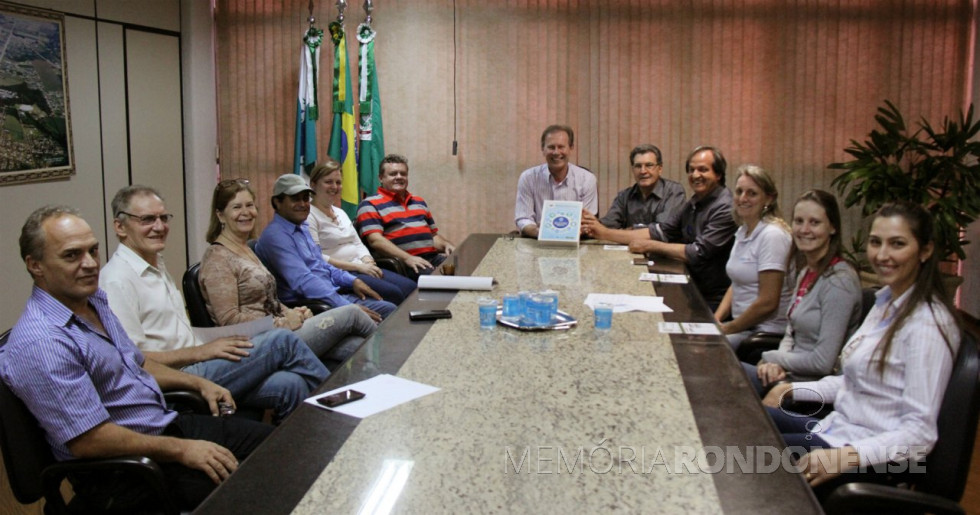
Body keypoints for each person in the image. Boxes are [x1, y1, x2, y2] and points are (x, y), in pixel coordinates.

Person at [1, 205, 273, 511]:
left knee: (282, 447)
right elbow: (89, 440)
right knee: (262, 487)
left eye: (93, 250)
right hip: (123, 471)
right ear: (35, 265)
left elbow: (136, 361)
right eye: (72, 255)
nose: (90, 264)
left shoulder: (91, 300)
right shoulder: (42, 342)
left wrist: (197, 383)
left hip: (161, 427)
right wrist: (183, 450)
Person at [763, 201, 961, 488]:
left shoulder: (927, 324)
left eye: (897, 244)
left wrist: (845, 457)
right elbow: (853, 382)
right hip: (838, 430)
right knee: (746, 423)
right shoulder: (885, 303)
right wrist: (793, 388)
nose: (882, 255)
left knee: (739, 453)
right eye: (875, 242)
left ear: (925, 250)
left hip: (870, 459)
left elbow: (920, 433)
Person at [100, 185, 329, 424]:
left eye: (163, 218)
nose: (159, 227)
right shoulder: (117, 280)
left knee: (291, 384)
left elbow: (177, 333)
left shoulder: (155, 264)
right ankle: (350, 415)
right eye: (147, 219)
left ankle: (312, 450)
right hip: (174, 382)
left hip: (199, 360)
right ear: (120, 227)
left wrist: (216, 341)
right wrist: (201, 351)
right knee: (282, 341)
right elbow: (133, 362)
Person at [200, 179, 378, 363]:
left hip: (282, 330)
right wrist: (282, 322)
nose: (245, 212)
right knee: (352, 314)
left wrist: (293, 313)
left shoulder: (246, 249)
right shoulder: (217, 259)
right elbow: (229, 320)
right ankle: (396, 367)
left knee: (357, 347)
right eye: (237, 207)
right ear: (220, 215)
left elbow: (269, 300)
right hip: (263, 343)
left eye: (249, 205)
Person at [587, 146, 736, 309]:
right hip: (688, 284)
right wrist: (601, 231)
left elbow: (698, 252)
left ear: (718, 174)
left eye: (703, 170)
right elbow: (660, 230)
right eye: (691, 170)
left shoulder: (725, 207)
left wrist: (651, 245)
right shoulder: (694, 202)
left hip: (713, 297)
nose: (695, 175)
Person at [742, 190, 863, 393]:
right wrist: (775, 366)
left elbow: (823, 362)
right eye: (799, 221)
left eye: (814, 222)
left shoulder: (840, 282)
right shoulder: (806, 271)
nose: (804, 229)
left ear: (832, 228)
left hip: (814, 389)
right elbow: (791, 333)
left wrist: (772, 358)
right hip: (787, 375)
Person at [255, 174, 397, 318]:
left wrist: (352, 280)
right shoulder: (275, 236)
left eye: (305, 198)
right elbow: (303, 281)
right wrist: (347, 306)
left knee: (391, 307)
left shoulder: (302, 227)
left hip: (331, 294)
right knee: (388, 313)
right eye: (295, 199)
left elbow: (321, 264)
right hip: (312, 306)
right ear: (277, 202)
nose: (303, 204)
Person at [307, 159, 416, 304]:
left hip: (362, 266)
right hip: (340, 273)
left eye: (338, 182)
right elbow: (318, 257)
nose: (335, 186)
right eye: (328, 182)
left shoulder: (340, 212)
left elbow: (357, 243)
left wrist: (368, 261)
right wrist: (359, 267)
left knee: (411, 287)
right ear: (313, 185)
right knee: (394, 294)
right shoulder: (308, 215)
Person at [713, 165, 794, 349]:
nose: (743, 198)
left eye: (752, 193)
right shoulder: (743, 231)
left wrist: (728, 328)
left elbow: (768, 302)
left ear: (769, 198)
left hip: (764, 332)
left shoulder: (772, 235)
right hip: (742, 326)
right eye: (739, 191)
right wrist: (716, 318)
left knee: (705, 350)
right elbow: (737, 282)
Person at [355, 154, 457, 280]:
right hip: (404, 263)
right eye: (393, 174)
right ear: (381, 178)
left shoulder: (418, 201)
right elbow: (375, 241)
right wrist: (407, 258)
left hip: (432, 258)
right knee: (445, 281)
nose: (399, 177)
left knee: (469, 268)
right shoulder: (369, 204)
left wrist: (446, 245)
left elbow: (433, 236)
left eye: (403, 174)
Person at [514, 125, 598, 238]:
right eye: (551, 147)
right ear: (543, 149)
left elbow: (588, 220)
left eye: (561, 147)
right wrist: (541, 232)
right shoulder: (528, 178)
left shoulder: (587, 179)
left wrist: (566, 234)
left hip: (577, 243)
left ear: (571, 148)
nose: (556, 152)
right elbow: (523, 218)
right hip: (537, 242)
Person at [584, 143, 685, 230]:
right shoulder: (624, 196)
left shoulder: (674, 192)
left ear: (660, 168)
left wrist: (630, 230)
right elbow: (609, 224)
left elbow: (661, 230)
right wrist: (593, 224)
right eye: (638, 166)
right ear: (632, 169)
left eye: (649, 165)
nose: (643, 171)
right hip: (630, 251)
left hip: (662, 252)